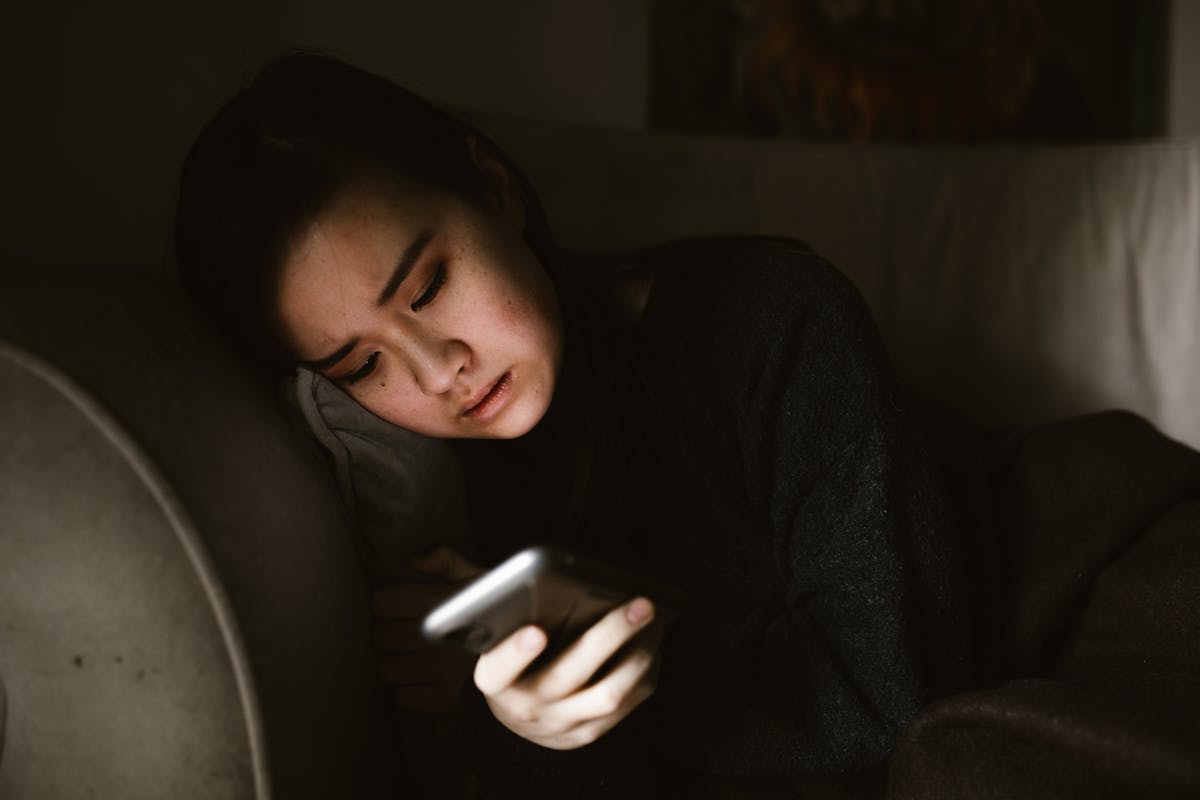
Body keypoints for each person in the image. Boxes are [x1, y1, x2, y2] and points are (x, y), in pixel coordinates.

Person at [174, 53, 1200, 800]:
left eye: (430, 285)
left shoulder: (764, 311)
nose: (439, 370)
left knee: (969, 772)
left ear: (492, 187)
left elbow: (889, 687)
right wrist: (529, 716)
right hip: (964, 705)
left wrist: (642, 671)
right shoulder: (469, 516)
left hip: (1110, 565)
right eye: (361, 364)